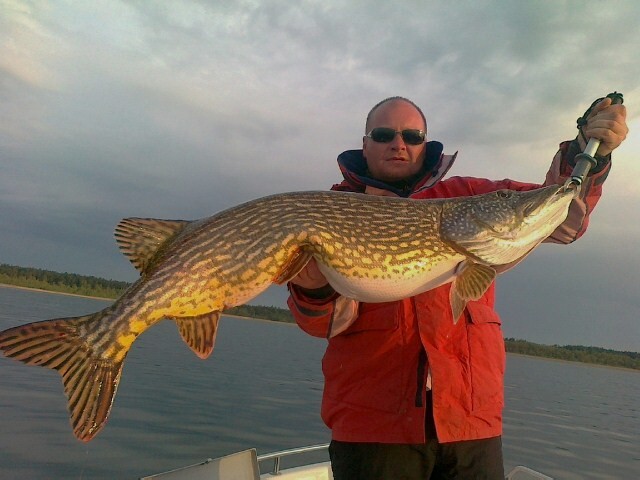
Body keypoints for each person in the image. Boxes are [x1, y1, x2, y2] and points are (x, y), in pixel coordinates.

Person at [287, 95, 628, 479]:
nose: (398, 144)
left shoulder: (470, 196)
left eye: (411, 136)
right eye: (383, 135)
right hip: (373, 427)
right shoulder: (332, 212)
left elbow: (562, 213)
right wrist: (313, 289)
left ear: (425, 144)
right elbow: (323, 324)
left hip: (470, 423)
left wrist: (588, 152)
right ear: (365, 145)